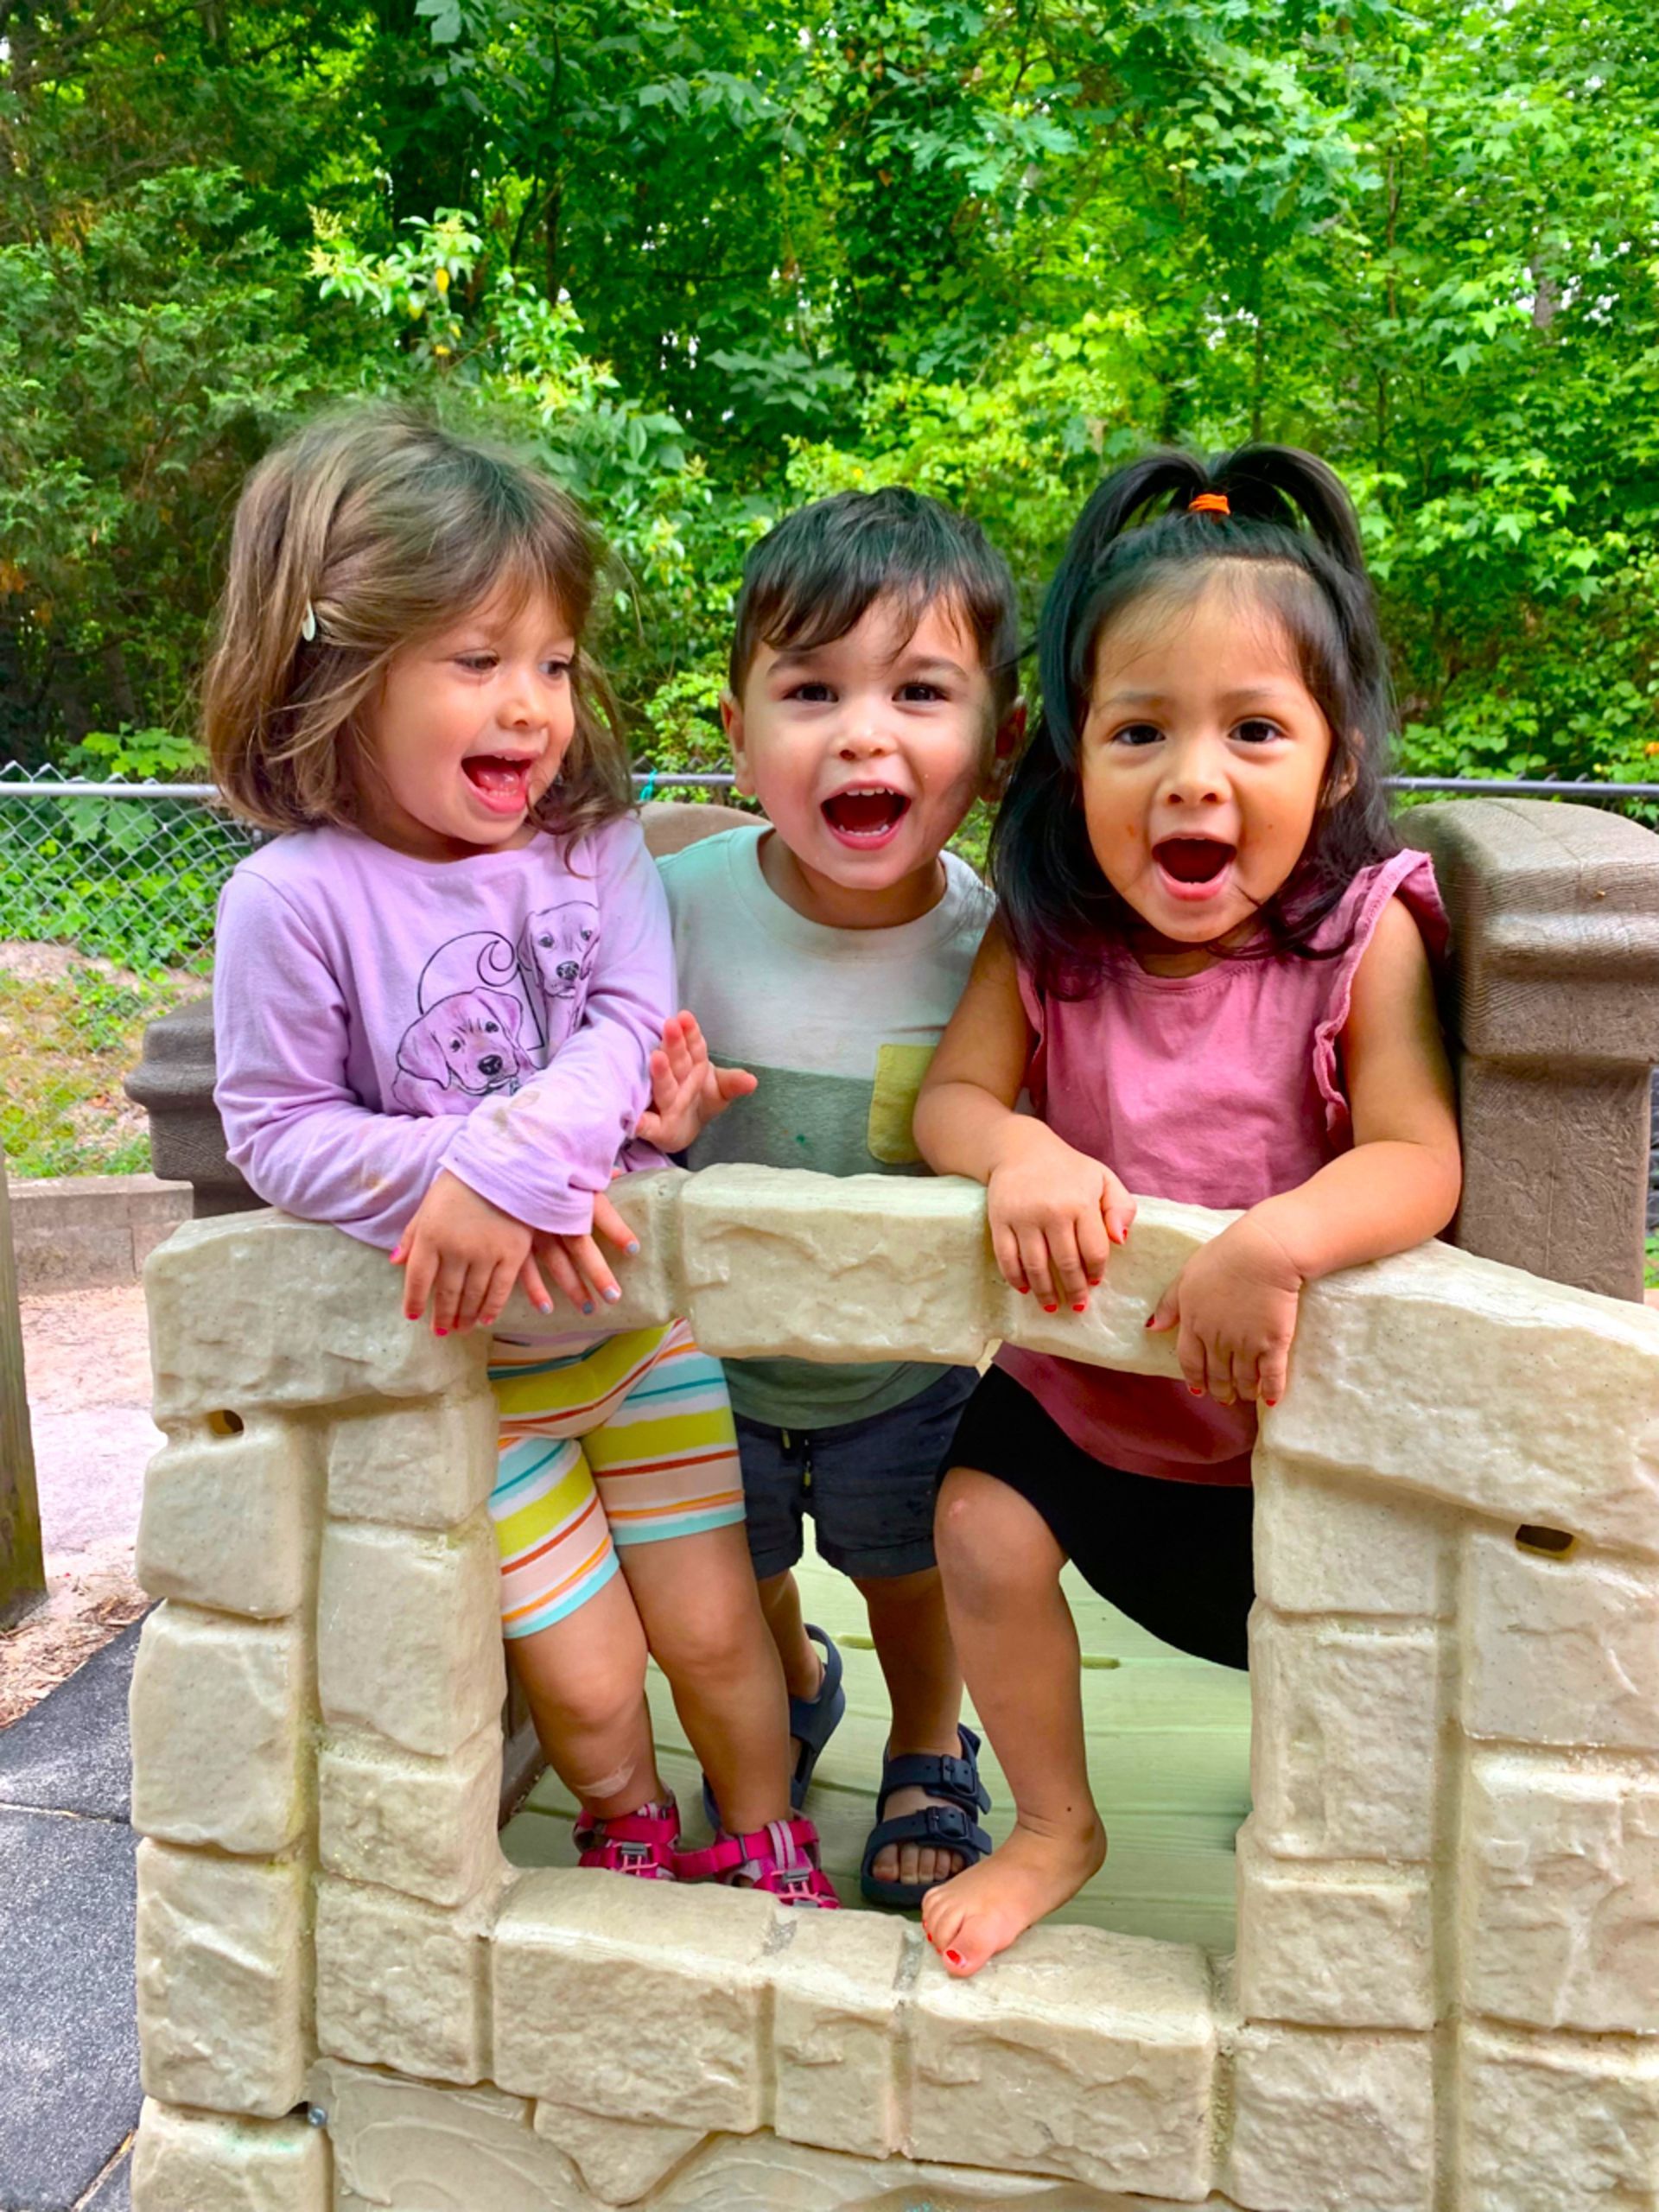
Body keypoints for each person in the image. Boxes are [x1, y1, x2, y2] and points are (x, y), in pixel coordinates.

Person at [204, 404, 836, 1907]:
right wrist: (460, 1181)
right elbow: (276, 1128)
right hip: (480, 1381)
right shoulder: (293, 904)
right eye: (477, 662)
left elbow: (625, 1022)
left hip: (639, 1335)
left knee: (713, 1633)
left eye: (551, 662)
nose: (531, 707)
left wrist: (508, 1172)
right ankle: (626, 1818)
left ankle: (764, 1831)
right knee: (592, 1674)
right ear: (332, 666)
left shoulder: (591, 844)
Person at [912, 445, 1463, 1973]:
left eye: (1255, 730)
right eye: (1139, 730)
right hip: (1086, 1400)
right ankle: (1051, 1823)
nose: (1193, 777)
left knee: (1334, 1674)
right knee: (976, 1527)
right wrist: (1017, 1152)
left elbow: (1420, 1156)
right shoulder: (1048, 941)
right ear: (1074, 759)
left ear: (1338, 761)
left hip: (1276, 1433)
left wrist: (1277, 1238)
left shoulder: (1362, 939)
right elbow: (953, 1103)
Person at [646, 488, 1024, 1904]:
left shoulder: (993, 942)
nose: (863, 732)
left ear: (988, 748)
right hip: (701, 1357)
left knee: (908, 1572)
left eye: (919, 692)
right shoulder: (670, 904)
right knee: (734, 1569)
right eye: (812, 691)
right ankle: (796, 1685)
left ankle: (930, 1737)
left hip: (905, 1366)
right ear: (740, 735)